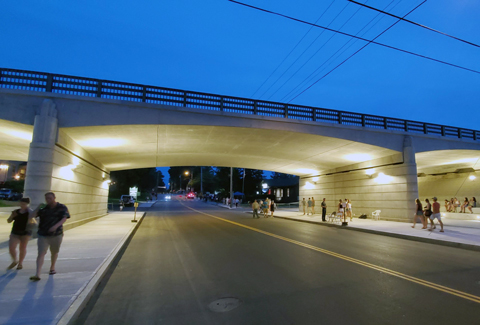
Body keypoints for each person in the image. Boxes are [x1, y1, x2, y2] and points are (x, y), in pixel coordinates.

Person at [29, 192, 70, 281]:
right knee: (41, 253)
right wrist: (37, 207)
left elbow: (64, 218)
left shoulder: (61, 207)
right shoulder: (43, 208)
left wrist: (55, 226)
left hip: (56, 234)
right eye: (46, 198)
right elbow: (31, 216)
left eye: (50, 198)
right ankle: (37, 274)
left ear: (54, 198)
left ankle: (52, 267)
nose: (48, 200)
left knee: (54, 252)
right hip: (43, 234)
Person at [7, 198, 33, 270]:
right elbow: (9, 221)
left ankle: (20, 263)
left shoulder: (30, 212)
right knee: (11, 247)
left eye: (24, 204)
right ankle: (15, 260)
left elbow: (34, 223)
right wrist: (12, 216)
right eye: (21, 203)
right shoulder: (16, 211)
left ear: (27, 204)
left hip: (26, 232)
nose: (22, 205)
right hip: (15, 231)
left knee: (22, 247)